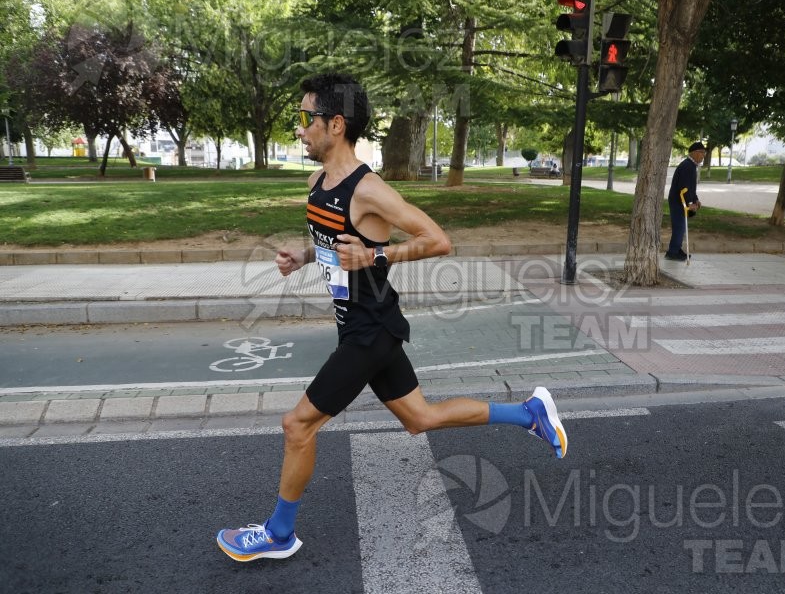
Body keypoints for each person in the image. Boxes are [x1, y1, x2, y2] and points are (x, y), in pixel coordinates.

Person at [216, 73, 569, 562]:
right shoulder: (316, 182)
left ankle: (279, 533)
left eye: (305, 118)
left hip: (369, 332)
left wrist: (376, 257)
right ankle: (529, 413)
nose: (299, 129)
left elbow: (439, 240)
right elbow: (333, 242)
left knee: (297, 425)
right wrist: (302, 255)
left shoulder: (369, 189)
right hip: (363, 326)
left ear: (335, 124)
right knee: (419, 418)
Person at [665, 141, 706, 261]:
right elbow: (684, 188)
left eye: (704, 153)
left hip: (680, 200)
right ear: (694, 153)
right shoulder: (687, 166)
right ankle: (673, 252)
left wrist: (696, 199)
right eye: (702, 153)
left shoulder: (691, 166)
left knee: (681, 227)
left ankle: (676, 249)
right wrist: (690, 203)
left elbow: (691, 188)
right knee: (680, 226)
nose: (704, 156)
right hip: (678, 201)